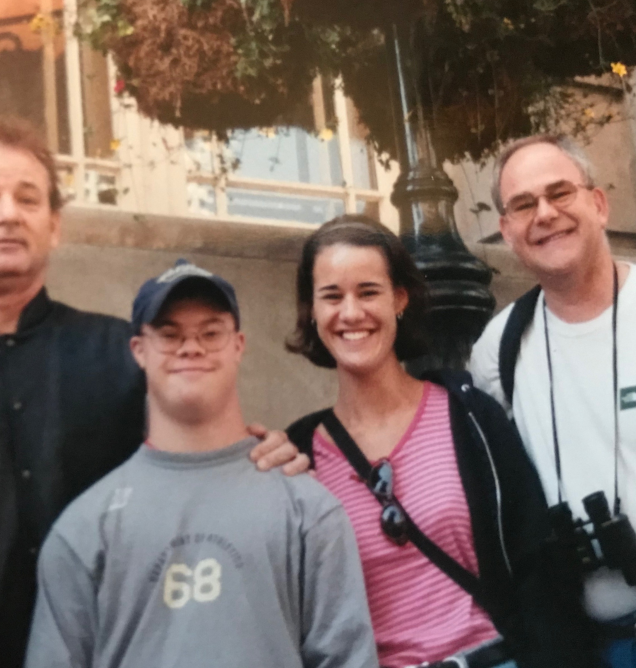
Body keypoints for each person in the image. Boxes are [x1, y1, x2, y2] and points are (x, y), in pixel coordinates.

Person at [0, 117, 309, 668]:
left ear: (54, 225)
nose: (7, 214)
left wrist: (261, 458)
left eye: (28, 199)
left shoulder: (126, 354)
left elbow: (203, 463)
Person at [24, 259, 379, 668]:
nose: (191, 347)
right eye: (170, 334)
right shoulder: (84, 529)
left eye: (210, 333)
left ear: (238, 345)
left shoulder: (308, 510)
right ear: (138, 350)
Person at [285, 215, 601, 668]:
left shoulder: (470, 416)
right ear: (312, 311)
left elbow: (540, 569)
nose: (351, 312)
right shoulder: (297, 457)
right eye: (332, 296)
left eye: (368, 291)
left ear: (399, 299)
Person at [469, 133, 636, 668]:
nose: (545, 214)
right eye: (523, 204)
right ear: (507, 230)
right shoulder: (497, 351)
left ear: (598, 203)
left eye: (560, 193)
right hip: (601, 649)